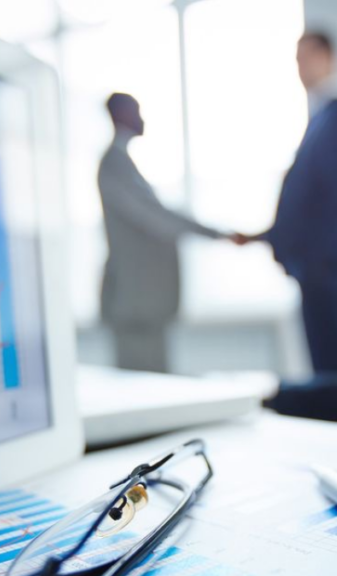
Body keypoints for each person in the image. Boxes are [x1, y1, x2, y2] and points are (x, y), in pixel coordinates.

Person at [237, 30, 337, 377]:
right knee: (323, 363)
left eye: (308, 57)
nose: (301, 66)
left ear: (330, 59)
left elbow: (336, 197)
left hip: (326, 265)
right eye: (297, 59)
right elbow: (304, 203)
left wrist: (314, 259)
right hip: (315, 266)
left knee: (331, 366)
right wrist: (266, 236)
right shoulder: (317, 120)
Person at [98, 93, 236, 373]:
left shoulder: (123, 163)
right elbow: (155, 217)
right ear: (122, 114)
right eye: (137, 112)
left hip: (145, 303)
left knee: (153, 378)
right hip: (134, 300)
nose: (142, 119)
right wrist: (216, 234)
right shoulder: (114, 163)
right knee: (141, 383)